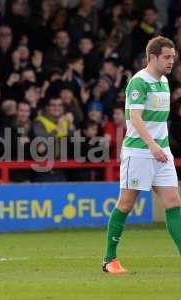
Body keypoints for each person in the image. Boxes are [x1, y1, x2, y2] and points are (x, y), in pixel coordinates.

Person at [103, 36, 181, 273]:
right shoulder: (139, 82)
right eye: (167, 57)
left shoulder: (164, 82)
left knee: (174, 202)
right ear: (152, 57)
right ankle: (109, 260)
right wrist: (152, 146)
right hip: (139, 152)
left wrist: (161, 146)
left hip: (161, 152)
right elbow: (134, 118)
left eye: (173, 57)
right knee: (126, 204)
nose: (171, 61)